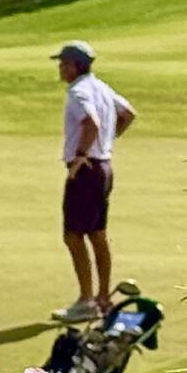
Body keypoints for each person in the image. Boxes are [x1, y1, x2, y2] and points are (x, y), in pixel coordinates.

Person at [55, 41, 134, 308]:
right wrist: (106, 142)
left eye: (63, 64)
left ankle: (87, 299)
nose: (60, 69)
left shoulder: (78, 91)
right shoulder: (100, 86)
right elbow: (128, 114)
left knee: (73, 235)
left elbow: (91, 122)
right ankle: (102, 297)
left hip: (87, 170)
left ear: (76, 66)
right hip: (103, 167)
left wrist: (81, 155)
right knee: (97, 233)